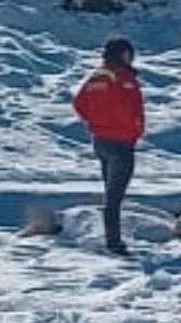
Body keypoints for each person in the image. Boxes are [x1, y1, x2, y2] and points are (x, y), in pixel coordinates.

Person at [74, 37, 145, 255]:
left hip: (101, 141)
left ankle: (110, 237)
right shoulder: (124, 78)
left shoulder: (98, 76)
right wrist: (132, 129)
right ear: (123, 54)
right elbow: (132, 107)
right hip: (121, 142)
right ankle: (113, 242)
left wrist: (96, 122)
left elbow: (79, 103)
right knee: (114, 197)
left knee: (110, 193)